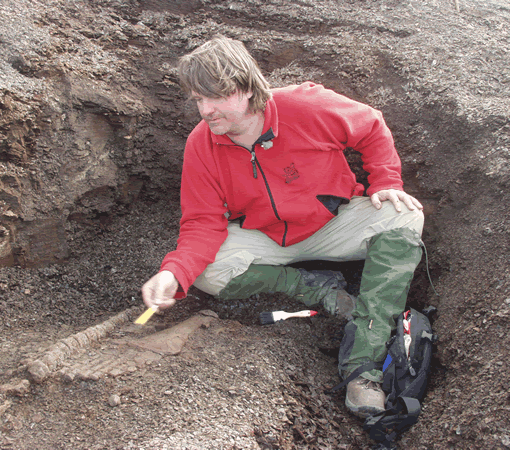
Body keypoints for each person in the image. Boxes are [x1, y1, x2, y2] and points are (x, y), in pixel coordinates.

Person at [141, 35, 424, 418]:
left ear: (245, 86)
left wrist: (387, 180)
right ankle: (315, 288)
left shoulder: (304, 106)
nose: (205, 110)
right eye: (197, 99)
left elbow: (371, 126)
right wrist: (173, 273)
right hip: (270, 237)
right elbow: (201, 223)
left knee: (404, 215)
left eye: (216, 97)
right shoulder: (201, 145)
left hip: (335, 222)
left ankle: (363, 362)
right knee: (203, 273)